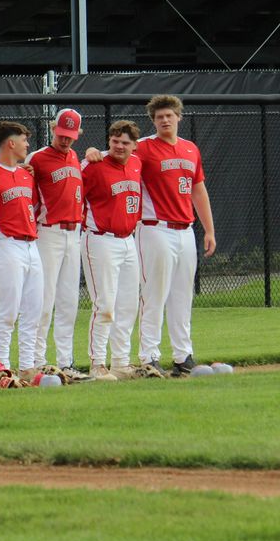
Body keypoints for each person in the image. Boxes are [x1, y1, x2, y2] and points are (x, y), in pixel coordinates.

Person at [119, 95, 215, 376]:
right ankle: (149, 357)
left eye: (169, 115)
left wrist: (208, 229)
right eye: (159, 117)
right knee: (154, 294)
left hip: (185, 230)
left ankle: (183, 356)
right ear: (153, 121)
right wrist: (93, 153)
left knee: (182, 295)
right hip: (154, 228)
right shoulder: (144, 148)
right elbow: (116, 155)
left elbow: (198, 189)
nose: (164, 120)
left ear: (178, 117)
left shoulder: (190, 149)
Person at [80, 120, 148, 381]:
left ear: (134, 145)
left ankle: (120, 361)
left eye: (125, 142)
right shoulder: (94, 164)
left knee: (128, 305)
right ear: (109, 140)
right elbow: (72, 185)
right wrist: (88, 152)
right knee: (105, 304)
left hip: (128, 239)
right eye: (115, 141)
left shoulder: (136, 163)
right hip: (100, 238)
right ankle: (97, 362)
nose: (119, 146)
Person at [29, 108, 89, 382]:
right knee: (44, 298)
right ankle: (38, 359)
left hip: (73, 233)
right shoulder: (38, 159)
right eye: (62, 134)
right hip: (49, 233)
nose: (65, 140)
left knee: (68, 301)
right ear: (53, 128)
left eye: (70, 135)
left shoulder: (76, 156)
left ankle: (66, 361)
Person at [0, 121, 43, 378]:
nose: (27, 145)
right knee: (7, 311)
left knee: (34, 309)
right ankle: (2, 365)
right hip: (6, 244)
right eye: (23, 140)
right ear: (11, 143)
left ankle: (28, 365)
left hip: (32, 245)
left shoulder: (25, 174)